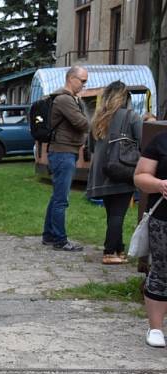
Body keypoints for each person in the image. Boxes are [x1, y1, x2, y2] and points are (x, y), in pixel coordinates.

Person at [87, 81, 141, 265]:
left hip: (101, 173)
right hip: (122, 169)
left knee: (113, 214)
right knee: (118, 214)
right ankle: (110, 252)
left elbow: (91, 147)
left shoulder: (97, 118)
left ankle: (119, 250)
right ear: (125, 97)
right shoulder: (131, 116)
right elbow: (143, 142)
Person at [42, 65, 90, 252]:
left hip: (64, 151)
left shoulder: (69, 99)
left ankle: (49, 235)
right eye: (82, 81)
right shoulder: (64, 99)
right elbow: (82, 123)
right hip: (62, 152)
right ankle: (60, 240)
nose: (84, 85)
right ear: (71, 79)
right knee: (62, 199)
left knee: (57, 197)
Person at [134, 132, 167, 347]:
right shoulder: (161, 141)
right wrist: (160, 185)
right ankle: (155, 328)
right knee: (162, 270)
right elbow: (140, 176)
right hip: (164, 219)